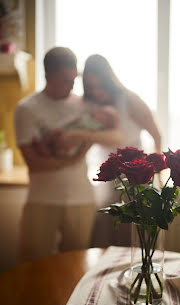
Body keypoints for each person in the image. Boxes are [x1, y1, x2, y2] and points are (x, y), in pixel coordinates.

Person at [14, 47, 124, 262]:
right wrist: (74, 158)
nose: (72, 85)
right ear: (47, 75)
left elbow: (118, 137)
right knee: (33, 267)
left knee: (74, 267)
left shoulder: (85, 106)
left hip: (81, 200)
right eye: (65, 80)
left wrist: (81, 135)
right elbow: (34, 164)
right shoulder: (26, 109)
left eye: (73, 79)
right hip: (41, 200)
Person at [82, 54, 162, 247]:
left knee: (136, 237)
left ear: (109, 80)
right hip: (108, 180)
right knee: (107, 238)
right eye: (91, 87)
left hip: (137, 177)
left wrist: (157, 172)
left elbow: (157, 135)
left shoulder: (129, 99)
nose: (96, 92)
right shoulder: (91, 107)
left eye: (100, 86)